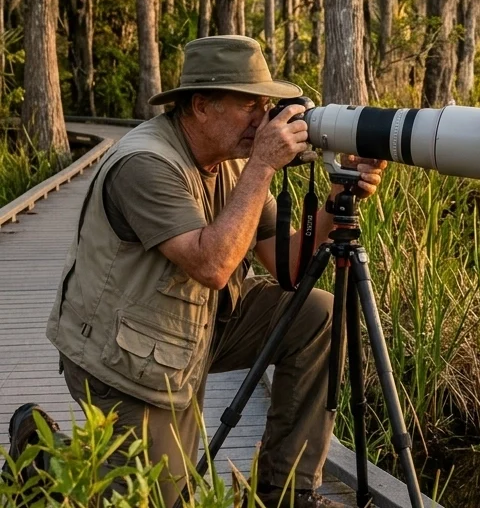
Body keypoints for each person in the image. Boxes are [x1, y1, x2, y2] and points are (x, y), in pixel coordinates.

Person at [46, 35, 385, 508]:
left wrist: (336, 200)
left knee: (317, 313)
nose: (264, 118)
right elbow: (213, 266)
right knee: (159, 499)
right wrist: (263, 165)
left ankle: (286, 492)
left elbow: (287, 264)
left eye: (267, 105)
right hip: (125, 355)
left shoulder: (232, 163)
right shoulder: (145, 164)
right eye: (250, 104)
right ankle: (44, 456)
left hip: (196, 325)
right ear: (201, 106)